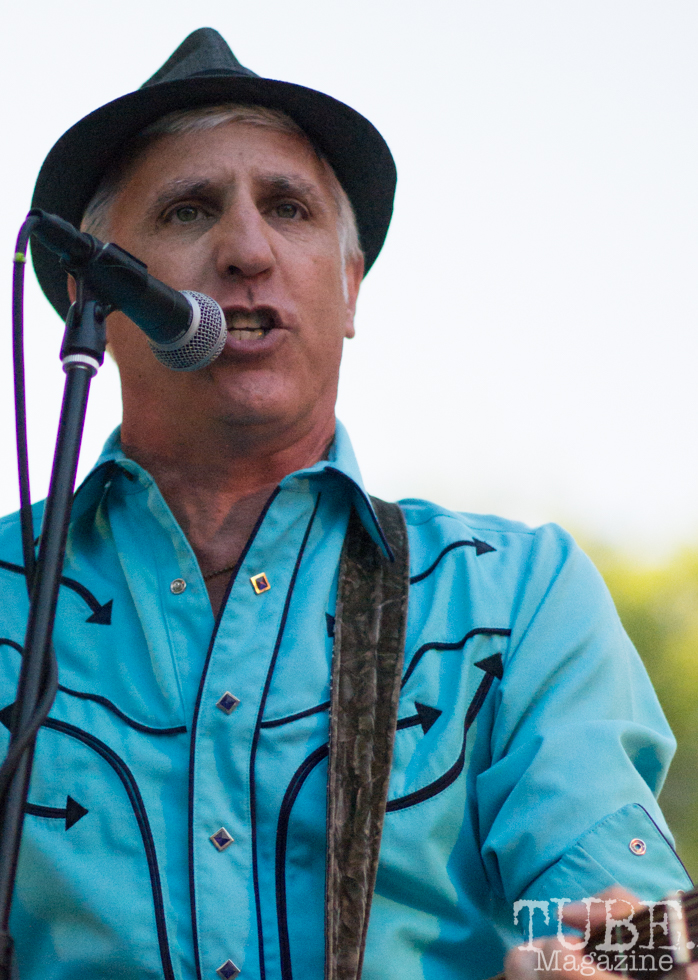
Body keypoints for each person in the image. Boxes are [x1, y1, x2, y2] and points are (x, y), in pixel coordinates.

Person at [0, 27, 691, 980]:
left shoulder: (516, 595)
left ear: (350, 288)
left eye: (288, 209)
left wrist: (614, 955)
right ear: (93, 293)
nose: (247, 250)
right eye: (190, 210)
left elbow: (644, 928)